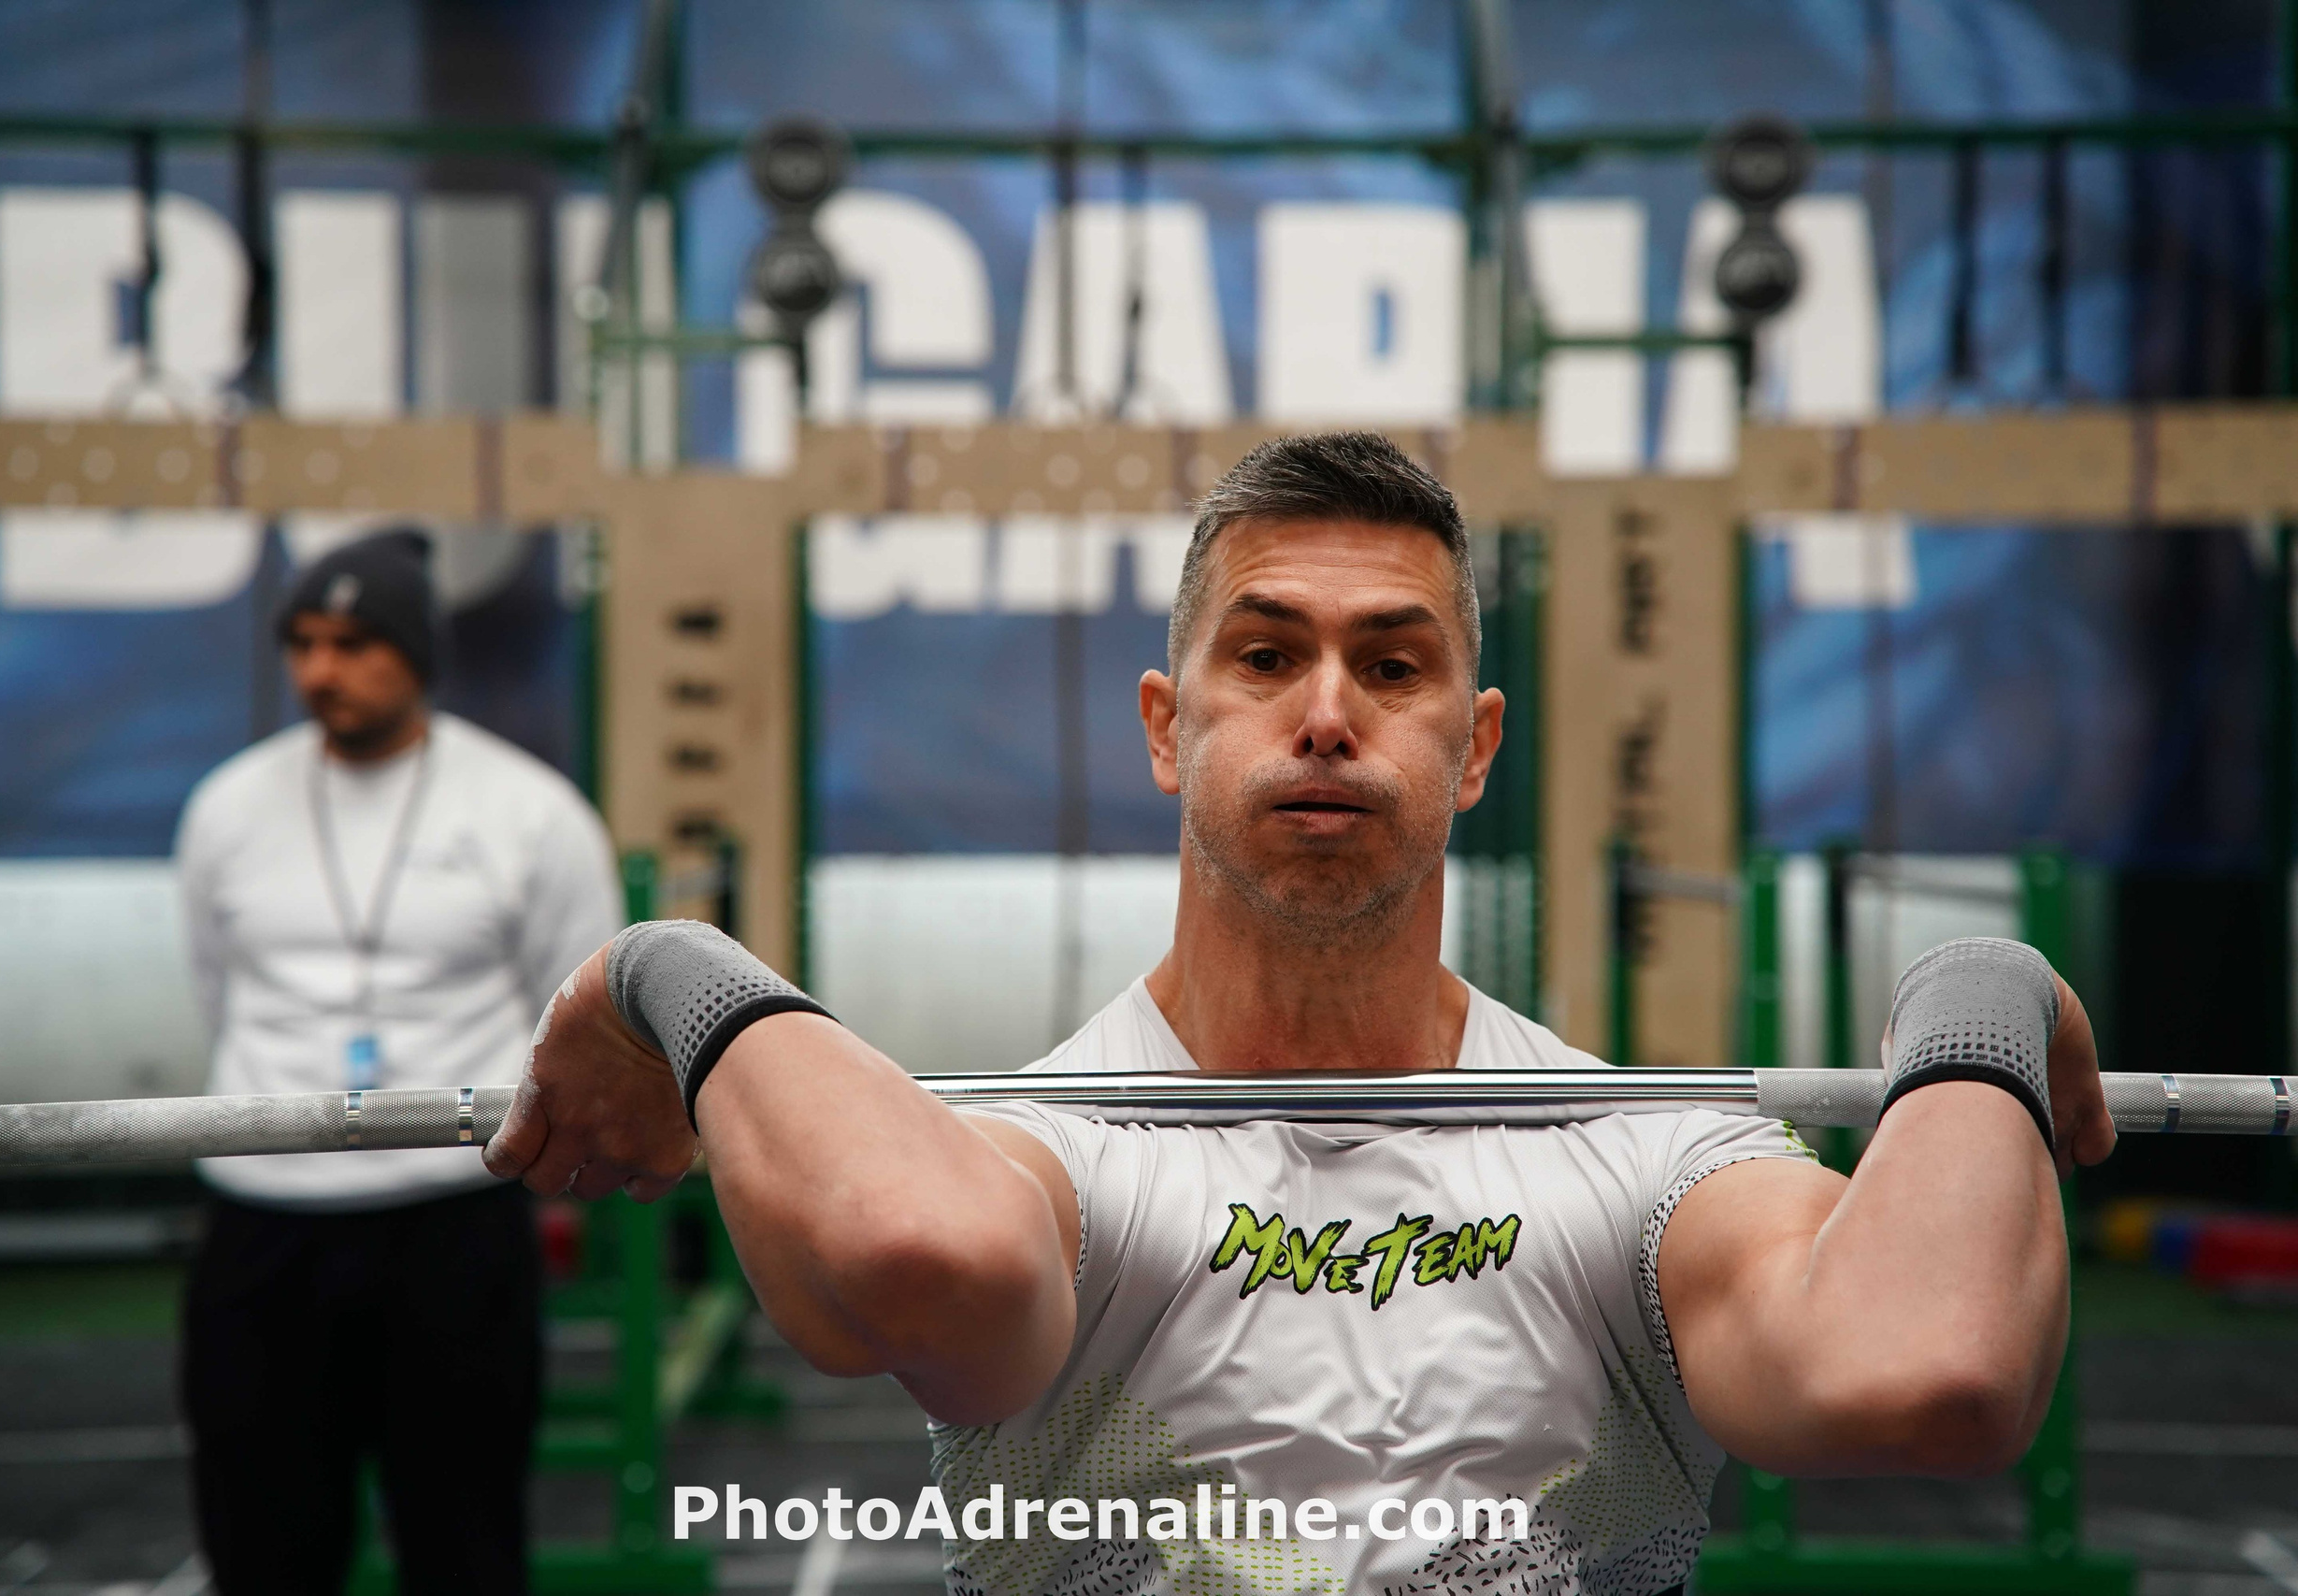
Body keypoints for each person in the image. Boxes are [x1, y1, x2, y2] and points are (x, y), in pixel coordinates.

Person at [485, 435, 2117, 1596]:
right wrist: (665, 968)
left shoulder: (1639, 1152)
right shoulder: (1052, 1151)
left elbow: (1934, 1371)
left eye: (1391, 668)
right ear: (1165, 726)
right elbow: (930, 1264)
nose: (1328, 713)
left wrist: (1968, 993)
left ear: (1474, 748)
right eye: (1265, 656)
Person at [174, 529, 624, 1596]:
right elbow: (212, 987)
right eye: (305, 642)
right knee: (264, 1542)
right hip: (263, 1225)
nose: (321, 669)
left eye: (356, 642)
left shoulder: (529, 814)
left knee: (463, 1541)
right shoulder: (228, 809)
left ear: (418, 654)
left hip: (450, 1227)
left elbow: (575, 1022)